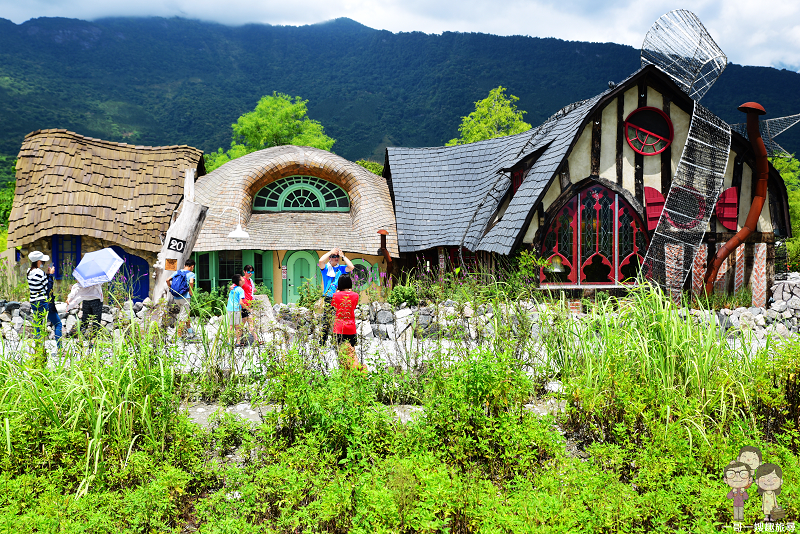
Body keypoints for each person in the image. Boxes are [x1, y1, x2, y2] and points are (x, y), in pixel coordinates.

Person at [318, 247, 353, 344]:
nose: (336, 258)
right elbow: (321, 260)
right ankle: (322, 343)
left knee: (339, 320)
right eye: (333, 256)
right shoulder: (325, 269)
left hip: (340, 297)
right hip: (329, 297)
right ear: (329, 258)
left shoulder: (341, 268)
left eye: (337, 256)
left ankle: (338, 341)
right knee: (326, 320)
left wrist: (343, 256)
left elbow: (351, 267)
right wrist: (330, 252)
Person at [331, 274, 365, 371]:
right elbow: (353, 307)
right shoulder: (355, 295)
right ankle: (355, 372)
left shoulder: (335, 295)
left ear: (339, 284)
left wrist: (337, 293)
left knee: (341, 352)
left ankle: (344, 374)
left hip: (338, 327)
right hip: (351, 327)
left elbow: (334, 307)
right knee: (352, 351)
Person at [26, 251, 50, 350]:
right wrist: (49, 275)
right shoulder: (40, 273)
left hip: (33, 300)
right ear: (39, 261)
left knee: (37, 323)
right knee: (47, 322)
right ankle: (42, 346)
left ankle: (38, 345)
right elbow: (47, 287)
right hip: (42, 300)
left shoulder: (28, 271)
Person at [168, 259, 196, 338]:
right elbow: (191, 282)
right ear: (192, 266)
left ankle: (190, 330)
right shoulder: (191, 274)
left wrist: (170, 289)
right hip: (185, 297)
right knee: (182, 318)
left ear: (184, 265)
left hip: (176, 298)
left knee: (187, 312)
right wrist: (191, 291)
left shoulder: (177, 272)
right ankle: (179, 337)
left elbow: (167, 279)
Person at [44, 261, 63, 349]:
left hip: (37, 302)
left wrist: (48, 275)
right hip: (48, 303)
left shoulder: (31, 273)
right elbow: (49, 288)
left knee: (39, 326)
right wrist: (51, 275)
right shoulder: (38, 273)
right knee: (58, 324)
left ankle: (38, 351)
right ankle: (60, 349)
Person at [226, 274, 247, 346]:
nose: (243, 279)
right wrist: (248, 308)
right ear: (240, 282)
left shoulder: (232, 289)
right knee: (237, 326)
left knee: (230, 326)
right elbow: (241, 302)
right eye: (242, 278)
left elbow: (228, 299)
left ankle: (228, 341)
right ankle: (238, 342)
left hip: (229, 308)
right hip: (236, 309)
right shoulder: (240, 290)